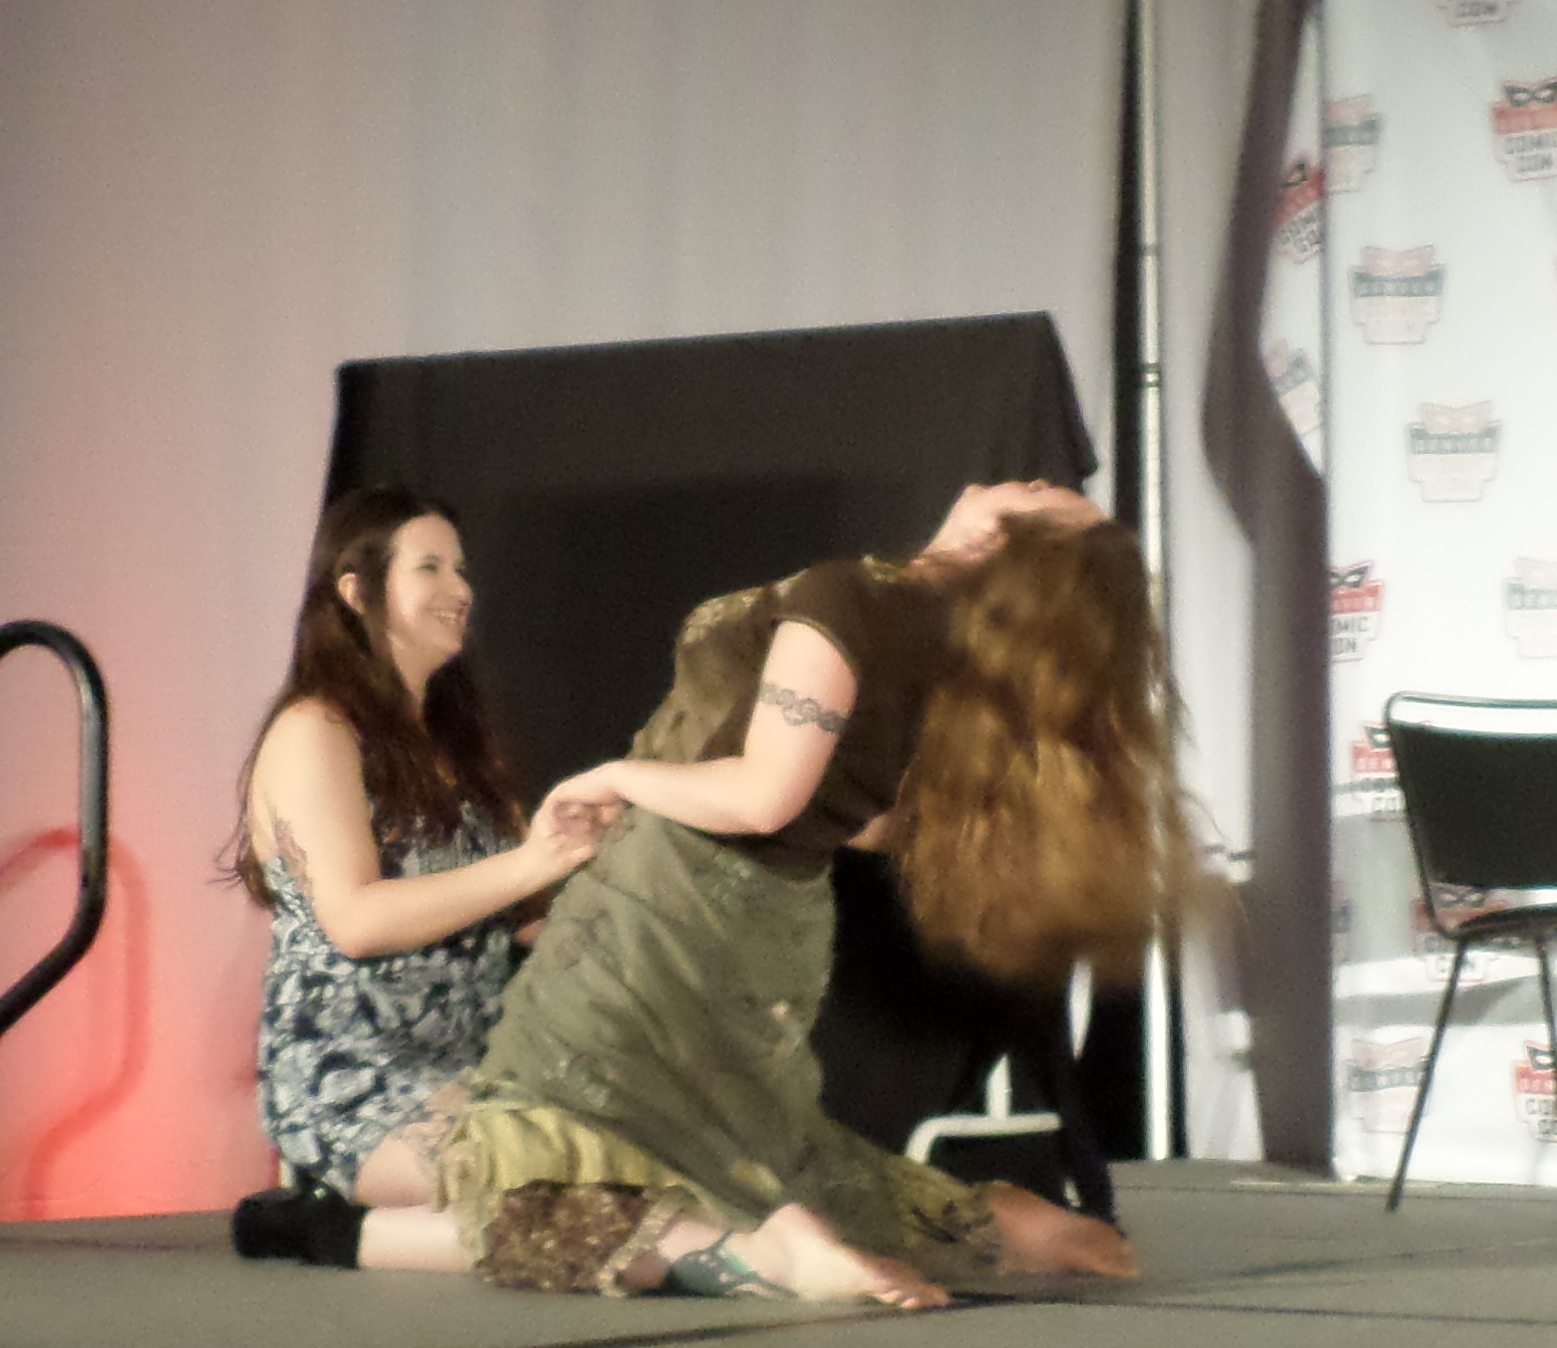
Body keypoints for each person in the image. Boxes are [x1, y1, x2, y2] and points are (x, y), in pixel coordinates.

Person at [325, 480, 1186, 1305]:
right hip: (773, 922)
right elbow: (867, 819)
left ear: (1009, 545)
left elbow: (765, 795)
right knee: (717, 1150)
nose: (1027, 479)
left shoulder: (854, 599)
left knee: (522, 1174)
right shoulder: (947, 652)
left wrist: (617, 778)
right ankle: (997, 1227)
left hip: (668, 904)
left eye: (1040, 495)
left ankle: (776, 1253)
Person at [228, 487, 604, 1238]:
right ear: (356, 590)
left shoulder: (461, 745)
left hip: (477, 1071)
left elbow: (526, 924)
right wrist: (532, 864)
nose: (461, 591)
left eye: (461, 570)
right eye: (430, 568)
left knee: (636, 1159)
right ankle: (327, 1234)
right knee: (539, 1198)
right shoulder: (315, 732)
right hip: (352, 1080)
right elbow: (357, 920)